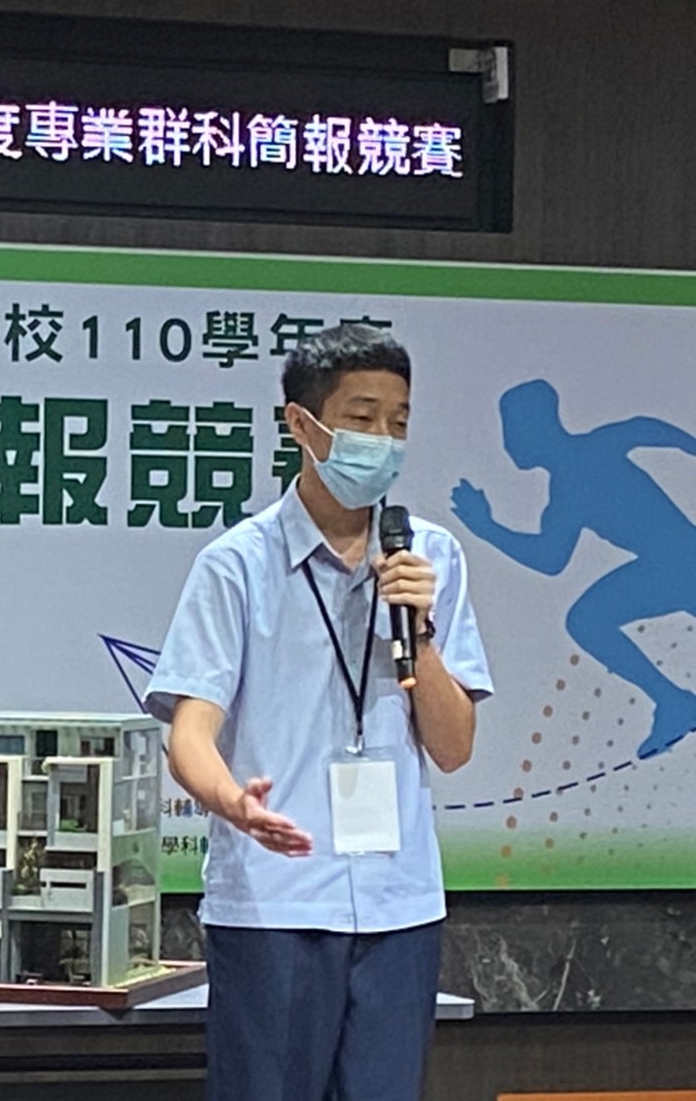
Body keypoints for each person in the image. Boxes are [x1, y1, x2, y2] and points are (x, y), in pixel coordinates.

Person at [143, 323, 493, 1101]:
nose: (383, 440)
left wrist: (421, 633)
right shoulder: (236, 565)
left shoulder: (430, 557)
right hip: (277, 902)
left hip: (398, 903)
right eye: (362, 419)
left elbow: (454, 745)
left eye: (398, 422)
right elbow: (189, 732)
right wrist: (233, 802)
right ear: (302, 425)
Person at [452, 378, 696, 758]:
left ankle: (674, 701)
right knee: (587, 619)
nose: (508, 443)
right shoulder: (567, 486)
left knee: (588, 619)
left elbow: (644, 427)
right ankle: (673, 701)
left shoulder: (590, 453)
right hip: (664, 568)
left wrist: (487, 527)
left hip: (681, 560)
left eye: (512, 430)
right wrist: (487, 527)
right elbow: (551, 559)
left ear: (538, 427)